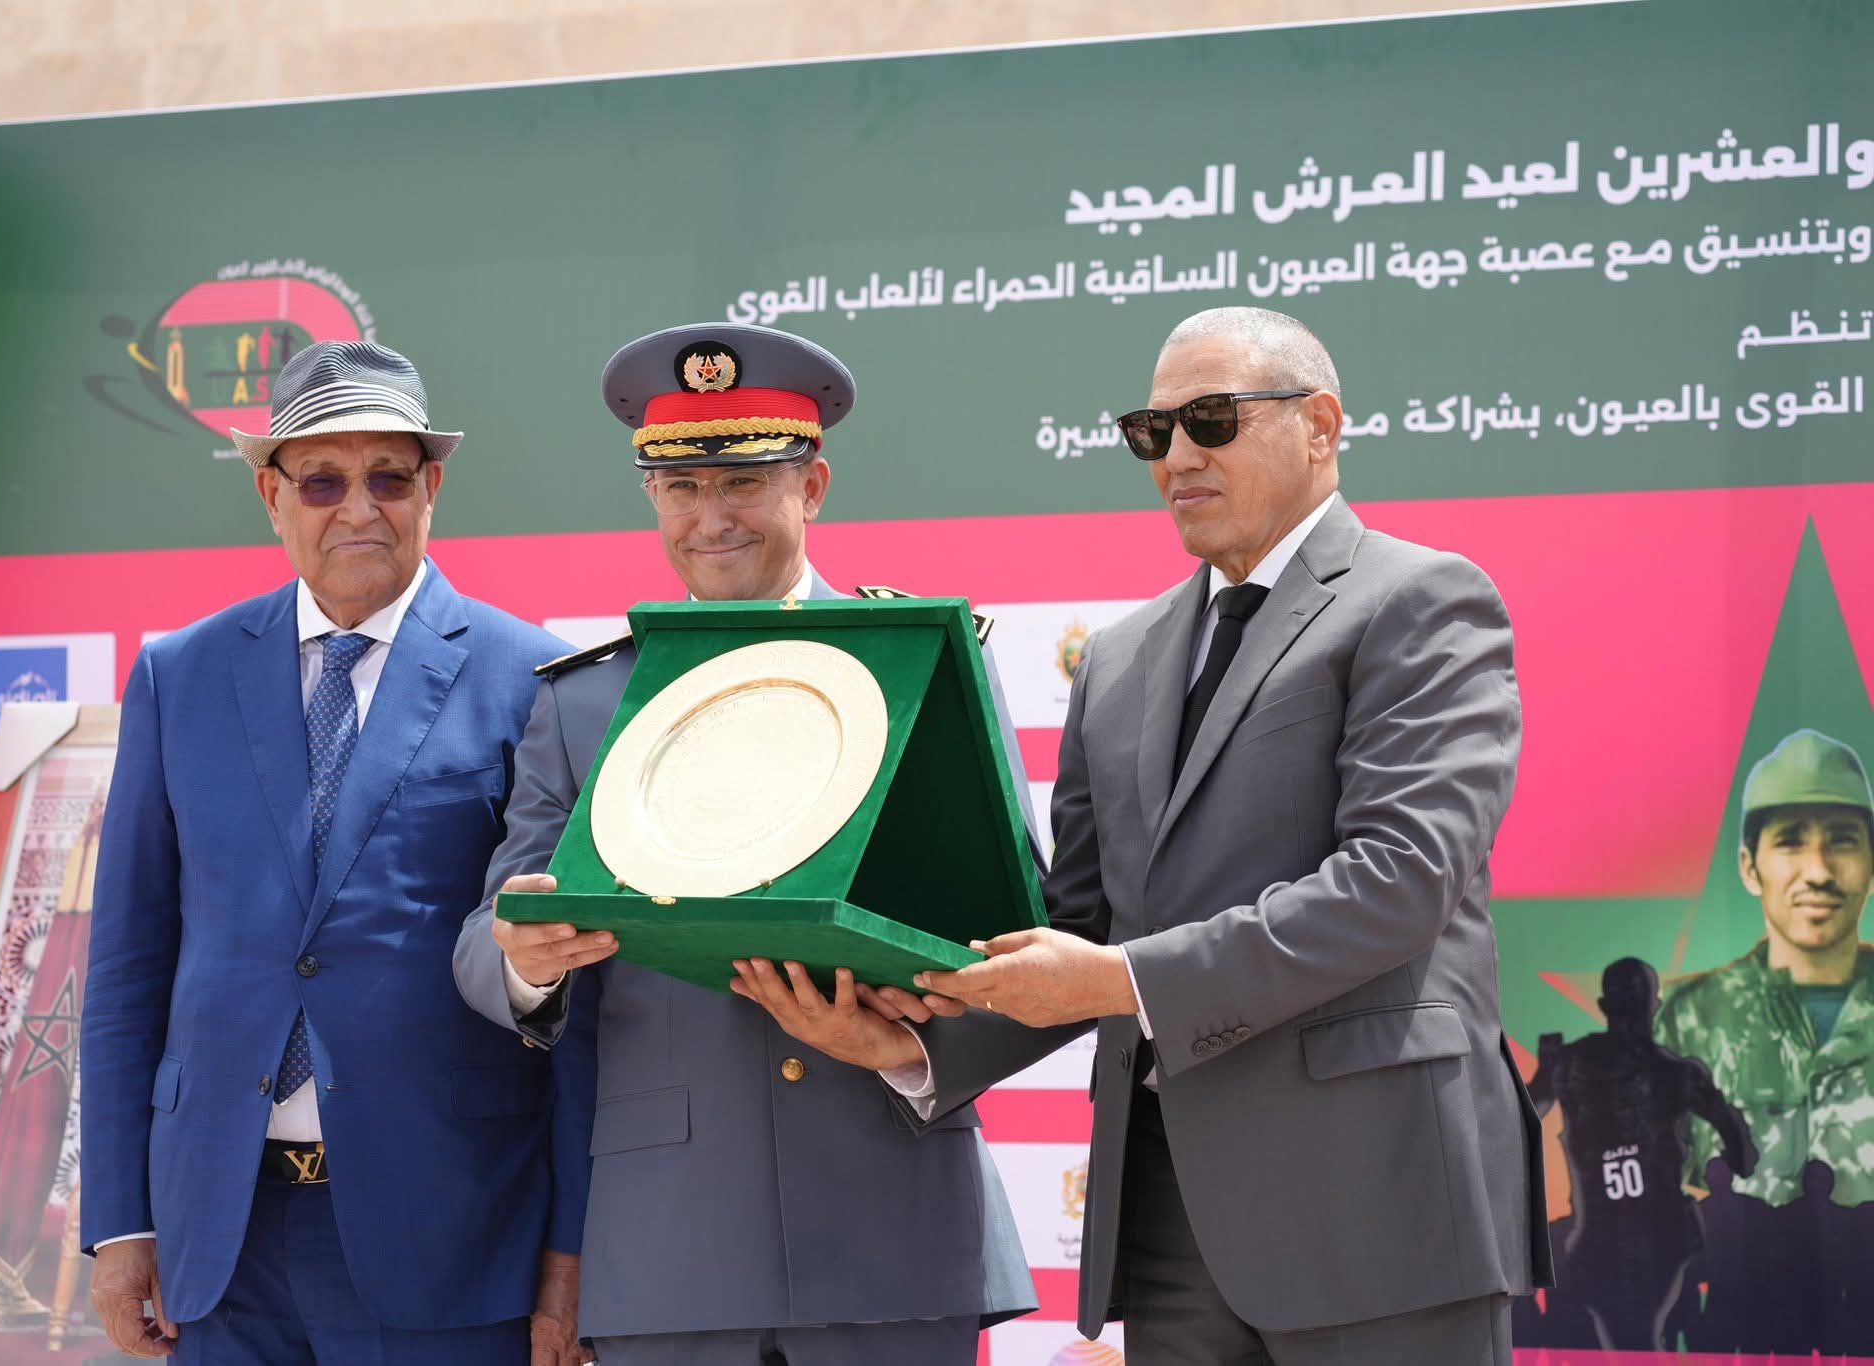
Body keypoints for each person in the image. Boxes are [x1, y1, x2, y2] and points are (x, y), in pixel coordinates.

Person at [747, 306, 1552, 1364]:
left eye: (1211, 420)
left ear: (1320, 425)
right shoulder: (1119, 658)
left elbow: (1397, 883)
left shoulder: (1420, 600)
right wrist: (915, 1045)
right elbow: (1079, 924)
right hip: (1171, 1224)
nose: (1176, 456)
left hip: (1382, 1206)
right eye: (1152, 430)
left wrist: (1122, 981)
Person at [452, 321, 1035, 1366]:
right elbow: (488, 930)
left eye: (743, 483)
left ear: (813, 486)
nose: (710, 517)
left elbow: (1024, 927)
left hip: (895, 1229)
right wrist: (524, 959)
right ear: (651, 498)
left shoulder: (925, 660)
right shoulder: (585, 700)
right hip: (674, 1249)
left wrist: (912, 1053)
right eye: (681, 487)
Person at [80, 341, 594, 1365]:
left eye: (388, 478)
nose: (358, 508)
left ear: (431, 488)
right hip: (217, 1241)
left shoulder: (538, 678)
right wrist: (120, 1222)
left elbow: (579, 997)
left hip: (454, 1239)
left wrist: (571, 1250)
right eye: (321, 480)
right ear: (271, 495)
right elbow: (128, 970)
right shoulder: (178, 676)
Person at [1656, 727, 1874, 1206]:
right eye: (1791, 842)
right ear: (1750, 868)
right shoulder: (1686, 1022)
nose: (1818, 872)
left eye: (1843, 841)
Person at [1528, 957, 1756, 1350]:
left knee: (1634, 1339)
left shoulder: (1576, 1065)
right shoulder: (1674, 1074)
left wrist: (1546, 1073)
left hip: (1632, 1235)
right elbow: (1737, 1141)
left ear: (1604, 1006)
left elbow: (1526, 1113)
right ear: (1655, 1005)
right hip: (1633, 1235)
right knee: (1635, 1339)